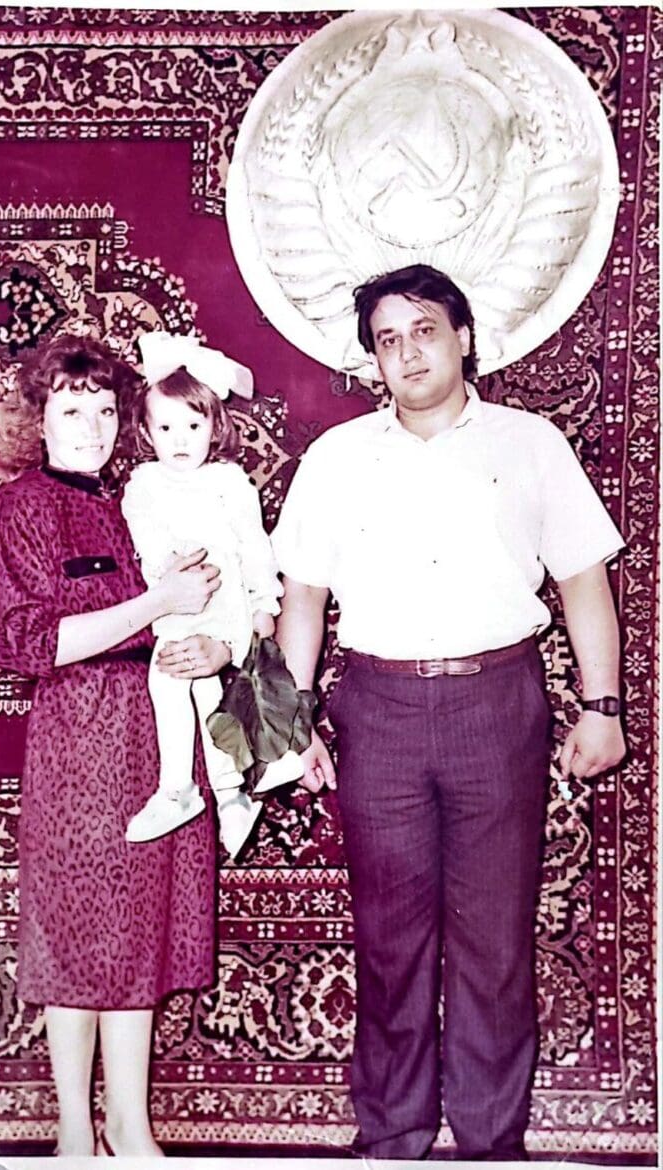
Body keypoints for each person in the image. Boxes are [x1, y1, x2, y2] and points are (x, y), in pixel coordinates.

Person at [272, 264, 626, 1161]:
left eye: (423, 329)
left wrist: (602, 706)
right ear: (373, 364)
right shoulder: (337, 459)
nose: (407, 351)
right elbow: (302, 598)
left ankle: (489, 1145)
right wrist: (292, 721)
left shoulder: (532, 444)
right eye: (387, 340)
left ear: (464, 338)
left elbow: (584, 578)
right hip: (377, 712)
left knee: (495, 945)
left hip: (496, 706)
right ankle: (390, 1139)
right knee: (390, 943)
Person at [0, 333, 230, 1158]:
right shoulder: (19, 505)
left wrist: (208, 644)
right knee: (78, 932)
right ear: (39, 418)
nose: (89, 426)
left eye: (104, 411)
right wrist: (157, 602)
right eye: (70, 409)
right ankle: (75, 1138)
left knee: (137, 935)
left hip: (158, 742)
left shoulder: (134, 502)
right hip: (78, 743)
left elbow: (199, 607)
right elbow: (21, 641)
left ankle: (131, 1127)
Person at [120, 331, 298, 856]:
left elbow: (254, 546)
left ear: (215, 426)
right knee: (197, 690)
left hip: (224, 600)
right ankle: (230, 795)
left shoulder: (229, 481)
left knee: (173, 677)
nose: (180, 439)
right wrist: (164, 568)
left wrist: (265, 601)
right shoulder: (145, 484)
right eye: (166, 427)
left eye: (193, 426)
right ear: (147, 432)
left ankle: (181, 787)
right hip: (178, 596)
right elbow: (145, 540)